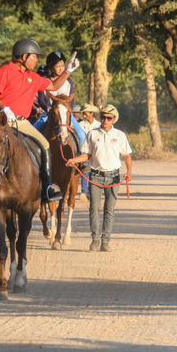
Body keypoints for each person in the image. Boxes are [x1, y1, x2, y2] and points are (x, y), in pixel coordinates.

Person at [0, 38, 80, 204]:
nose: (37, 60)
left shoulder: (33, 76)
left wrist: (67, 71)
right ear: (24, 56)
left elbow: (53, 87)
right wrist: (4, 108)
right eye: (34, 57)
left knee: (45, 145)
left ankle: (47, 186)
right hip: (0, 119)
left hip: (22, 121)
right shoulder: (4, 71)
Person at [66, 104, 132, 252]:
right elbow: (86, 155)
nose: (105, 120)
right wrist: (74, 160)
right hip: (95, 175)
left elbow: (127, 155)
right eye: (103, 117)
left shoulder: (120, 135)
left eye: (108, 118)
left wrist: (129, 172)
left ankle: (106, 241)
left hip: (114, 176)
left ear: (114, 119)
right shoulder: (92, 134)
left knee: (109, 210)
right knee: (93, 208)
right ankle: (95, 239)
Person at [32, 51, 86, 146]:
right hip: (47, 114)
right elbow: (41, 100)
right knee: (31, 134)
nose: (61, 69)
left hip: (65, 114)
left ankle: (83, 160)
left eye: (62, 65)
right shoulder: (44, 80)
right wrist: (47, 108)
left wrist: (68, 111)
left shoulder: (68, 81)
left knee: (82, 135)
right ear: (51, 67)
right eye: (58, 66)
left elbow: (71, 100)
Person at [77, 104, 100, 198]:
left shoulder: (98, 125)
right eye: (83, 114)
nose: (84, 116)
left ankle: (92, 192)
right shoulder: (80, 125)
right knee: (85, 169)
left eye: (86, 114)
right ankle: (84, 191)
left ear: (92, 114)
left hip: (95, 151)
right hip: (84, 150)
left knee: (94, 171)